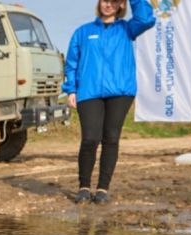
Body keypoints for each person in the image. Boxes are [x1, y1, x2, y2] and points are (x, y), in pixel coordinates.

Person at [62, 0, 155, 205]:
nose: (108, 5)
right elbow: (72, 62)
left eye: (114, 2)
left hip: (120, 91)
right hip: (89, 92)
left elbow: (147, 19)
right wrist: (71, 89)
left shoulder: (127, 29)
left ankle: (103, 188)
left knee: (111, 138)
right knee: (90, 139)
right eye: (105, 0)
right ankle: (84, 186)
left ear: (121, 5)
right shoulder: (83, 32)